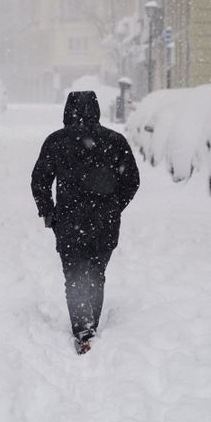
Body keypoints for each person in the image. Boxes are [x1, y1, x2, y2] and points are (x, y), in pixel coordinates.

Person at [31, 91, 140, 354]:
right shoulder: (115, 141)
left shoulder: (57, 141)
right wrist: (115, 206)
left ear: (67, 110)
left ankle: (83, 329)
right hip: (105, 222)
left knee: (74, 275)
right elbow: (132, 181)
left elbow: (40, 181)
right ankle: (89, 324)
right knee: (96, 273)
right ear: (97, 110)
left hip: (69, 222)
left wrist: (49, 212)